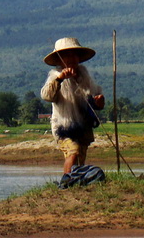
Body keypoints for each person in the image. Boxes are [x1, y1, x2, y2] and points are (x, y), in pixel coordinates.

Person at [41, 37, 106, 174]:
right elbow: (47, 96)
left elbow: (94, 98)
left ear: (78, 57)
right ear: (59, 60)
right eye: (66, 55)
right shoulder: (56, 76)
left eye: (74, 54)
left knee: (80, 158)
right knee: (73, 152)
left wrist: (98, 102)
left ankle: (75, 183)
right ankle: (67, 181)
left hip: (83, 126)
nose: (71, 58)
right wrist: (60, 79)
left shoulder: (84, 75)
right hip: (64, 126)